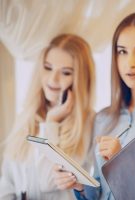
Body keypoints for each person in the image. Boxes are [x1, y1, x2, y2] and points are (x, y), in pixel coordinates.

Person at [54, 11, 135, 200]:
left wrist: (121, 161)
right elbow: (99, 189)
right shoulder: (103, 119)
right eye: (122, 51)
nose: (130, 63)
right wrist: (80, 185)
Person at [0, 33, 96, 200]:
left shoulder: (89, 122)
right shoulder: (26, 115)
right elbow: (7, 179)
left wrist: (52, 122)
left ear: (80, 79)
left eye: (65, 73)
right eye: (48, 67)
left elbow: (47, 181)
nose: (53, 79)